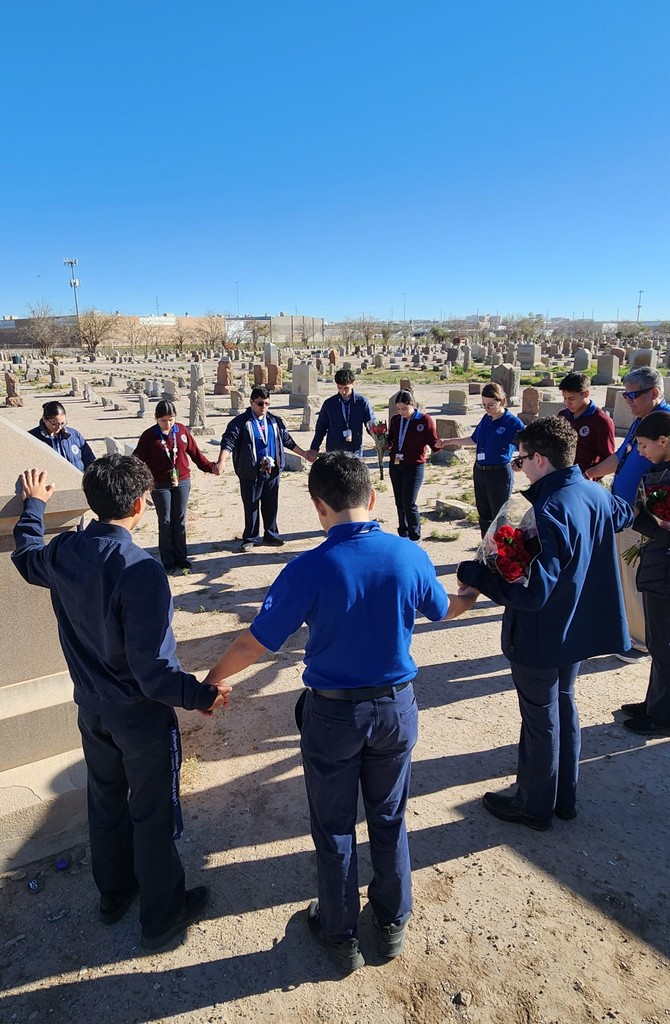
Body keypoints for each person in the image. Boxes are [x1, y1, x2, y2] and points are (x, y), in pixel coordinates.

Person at [203, 452, 477, 972]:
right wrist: (472, 589)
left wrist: (212, 681)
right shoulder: (408, 554)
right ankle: (392, 922)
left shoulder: (307, 568)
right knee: (390, 816)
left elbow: (254, 642)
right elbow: (446, 609)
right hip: (395, 708)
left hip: (333, 717)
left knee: (333, 826)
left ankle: (339, 933)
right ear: (372, 497)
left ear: (318, 506)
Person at [11, 456, 230, 949]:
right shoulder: (140, 569)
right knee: (152, 812)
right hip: (139, 717)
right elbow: (154, 672)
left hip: (91, 708)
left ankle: (114, 893)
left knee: (105, 800)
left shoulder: (65, 550)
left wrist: (34, 507)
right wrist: (202, 696)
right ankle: (162, 914)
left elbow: (26, 557)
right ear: (138, 505)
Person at [458, 417, 633, 830]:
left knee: (540, 718)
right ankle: (563, 796)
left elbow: (532, 593)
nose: (519, 467)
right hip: (577, 627)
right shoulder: (593, 491)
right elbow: (623, 513)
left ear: (540, 459)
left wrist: (477, 574)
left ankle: (534, 805)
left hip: (543, 633)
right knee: (563, 704)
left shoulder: (549, 509)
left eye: (520, 460)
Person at [586, 366, 670, 663]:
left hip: (645, 518)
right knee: (625, 574)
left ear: (654, 392)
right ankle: (632, 631)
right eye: (625, 395)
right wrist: (591, 473)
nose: (628, 401)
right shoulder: (641, 422)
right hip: (625, 513)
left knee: (638, 579)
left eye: (633, 395)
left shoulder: (662, 423)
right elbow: (621, 457)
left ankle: (642, 641)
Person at [619, 410, 670, 736]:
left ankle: (663, 717)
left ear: (663, 441)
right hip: (657, 564)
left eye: (643, 445)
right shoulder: (660, 471)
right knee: (657, 641)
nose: (640, 452)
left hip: (666, 569)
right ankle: (654, 702)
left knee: (665, 644)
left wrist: (640, 519)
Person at [216, 387, 311, 553]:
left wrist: (303, 453)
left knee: (271, 504)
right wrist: (221, 461)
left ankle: (271, 534)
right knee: (251, 505)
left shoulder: (275, 421)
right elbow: (229, 441)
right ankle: (250, 538)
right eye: (260, 403)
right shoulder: (241, 422)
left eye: (267, 404)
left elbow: (287, 440)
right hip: (250, 471)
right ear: (251, 402)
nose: (264, 407)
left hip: (272, 470)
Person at [133, 400, 219, 573]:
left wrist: (211, 467)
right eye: (163, 420)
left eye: (171, 419)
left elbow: (195, 454)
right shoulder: (149, 436)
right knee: (165, 520)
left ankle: (182, 558)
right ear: (156, 419)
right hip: (159, 483)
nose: (168, 424)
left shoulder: (182, 431)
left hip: (182, 481)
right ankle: (168, 560)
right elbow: (137, 460)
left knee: (179, 520)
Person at [444, 382, 525, 536]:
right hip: (480, 470)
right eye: (484, 405)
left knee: (499, 517)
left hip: (499, 473)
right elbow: (474, 439)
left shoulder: (512, 422)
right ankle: (486, 548)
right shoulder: (486, 419)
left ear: (501, 401)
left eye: (490, 405)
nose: (487, 408)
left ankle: (502, 550)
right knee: (484, 516)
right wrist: (449, 441)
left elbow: (526, 444)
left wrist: (520, 459)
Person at [386, 389, 442, 541]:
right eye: (398, 409)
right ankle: (403, 533)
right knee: (399, 501)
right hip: (396, 464)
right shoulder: (396, 420)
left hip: (414, 465)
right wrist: (382, 442)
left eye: (404, 408)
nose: (401, 412)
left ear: (413, 405)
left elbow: (433, 442)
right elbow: (391, 439)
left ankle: (414, 535)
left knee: (409, 501)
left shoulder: (424, 420)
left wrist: (440, 445)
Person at [307, 368, 375, 458]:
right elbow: (321, 428)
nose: (343, 391)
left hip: (354, 451)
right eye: (340, 388)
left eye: (346, 388)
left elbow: (371, 424)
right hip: (334, 450)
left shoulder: (362, 402)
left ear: (353, 384)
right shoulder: (329, 404)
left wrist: (379, 440)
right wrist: (314, 448)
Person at [557, 371, 615, 473]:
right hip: (560, 474)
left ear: (586, 393)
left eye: (571, 399)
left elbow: (608, 459)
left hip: (584, 477)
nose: (566, 403)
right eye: (564, 398)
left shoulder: (602, 421)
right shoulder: (563, 415)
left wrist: (590, 476)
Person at [29, 401, 96, 472]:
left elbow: (89, 459)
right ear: (44, 419)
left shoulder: (74, 435)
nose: (59, 427)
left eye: (62, 423)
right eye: (54, 424)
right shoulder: (32, 438)